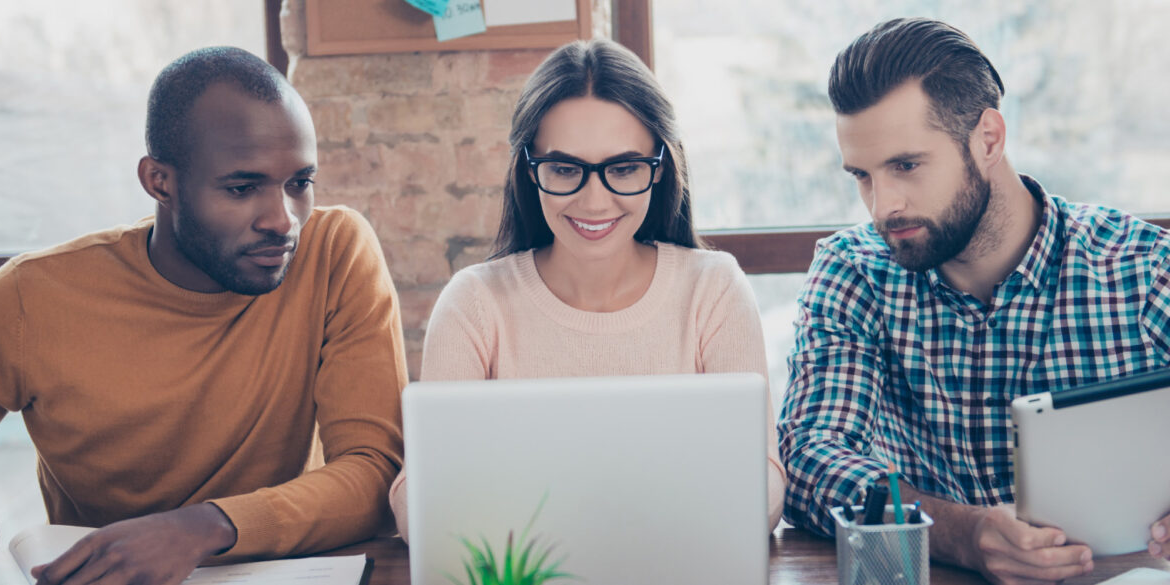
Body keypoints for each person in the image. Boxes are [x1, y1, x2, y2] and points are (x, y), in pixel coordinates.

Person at [0, 47, 407, 584]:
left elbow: (375, 474)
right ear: (160, 182)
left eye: (299, 183)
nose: (283, 220)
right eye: (243, 188)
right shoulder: (26, 299)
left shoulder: (334, 253)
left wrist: (202, 528)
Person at [779, 17, 1170, 585]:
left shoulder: (1141, 268)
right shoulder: (854, 271)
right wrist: (958, 532)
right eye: (862, 175)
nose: (883, 205)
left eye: (906, 165)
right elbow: (809, 458)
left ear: (988, 138)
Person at [387, 38, 787, 542]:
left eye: (622, 169)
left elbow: (764, 481)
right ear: (529, 170)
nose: (594, 201)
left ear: (659, 166)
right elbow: (415, 497)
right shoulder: (474, 303)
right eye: (564, 169)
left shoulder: (714, 288)